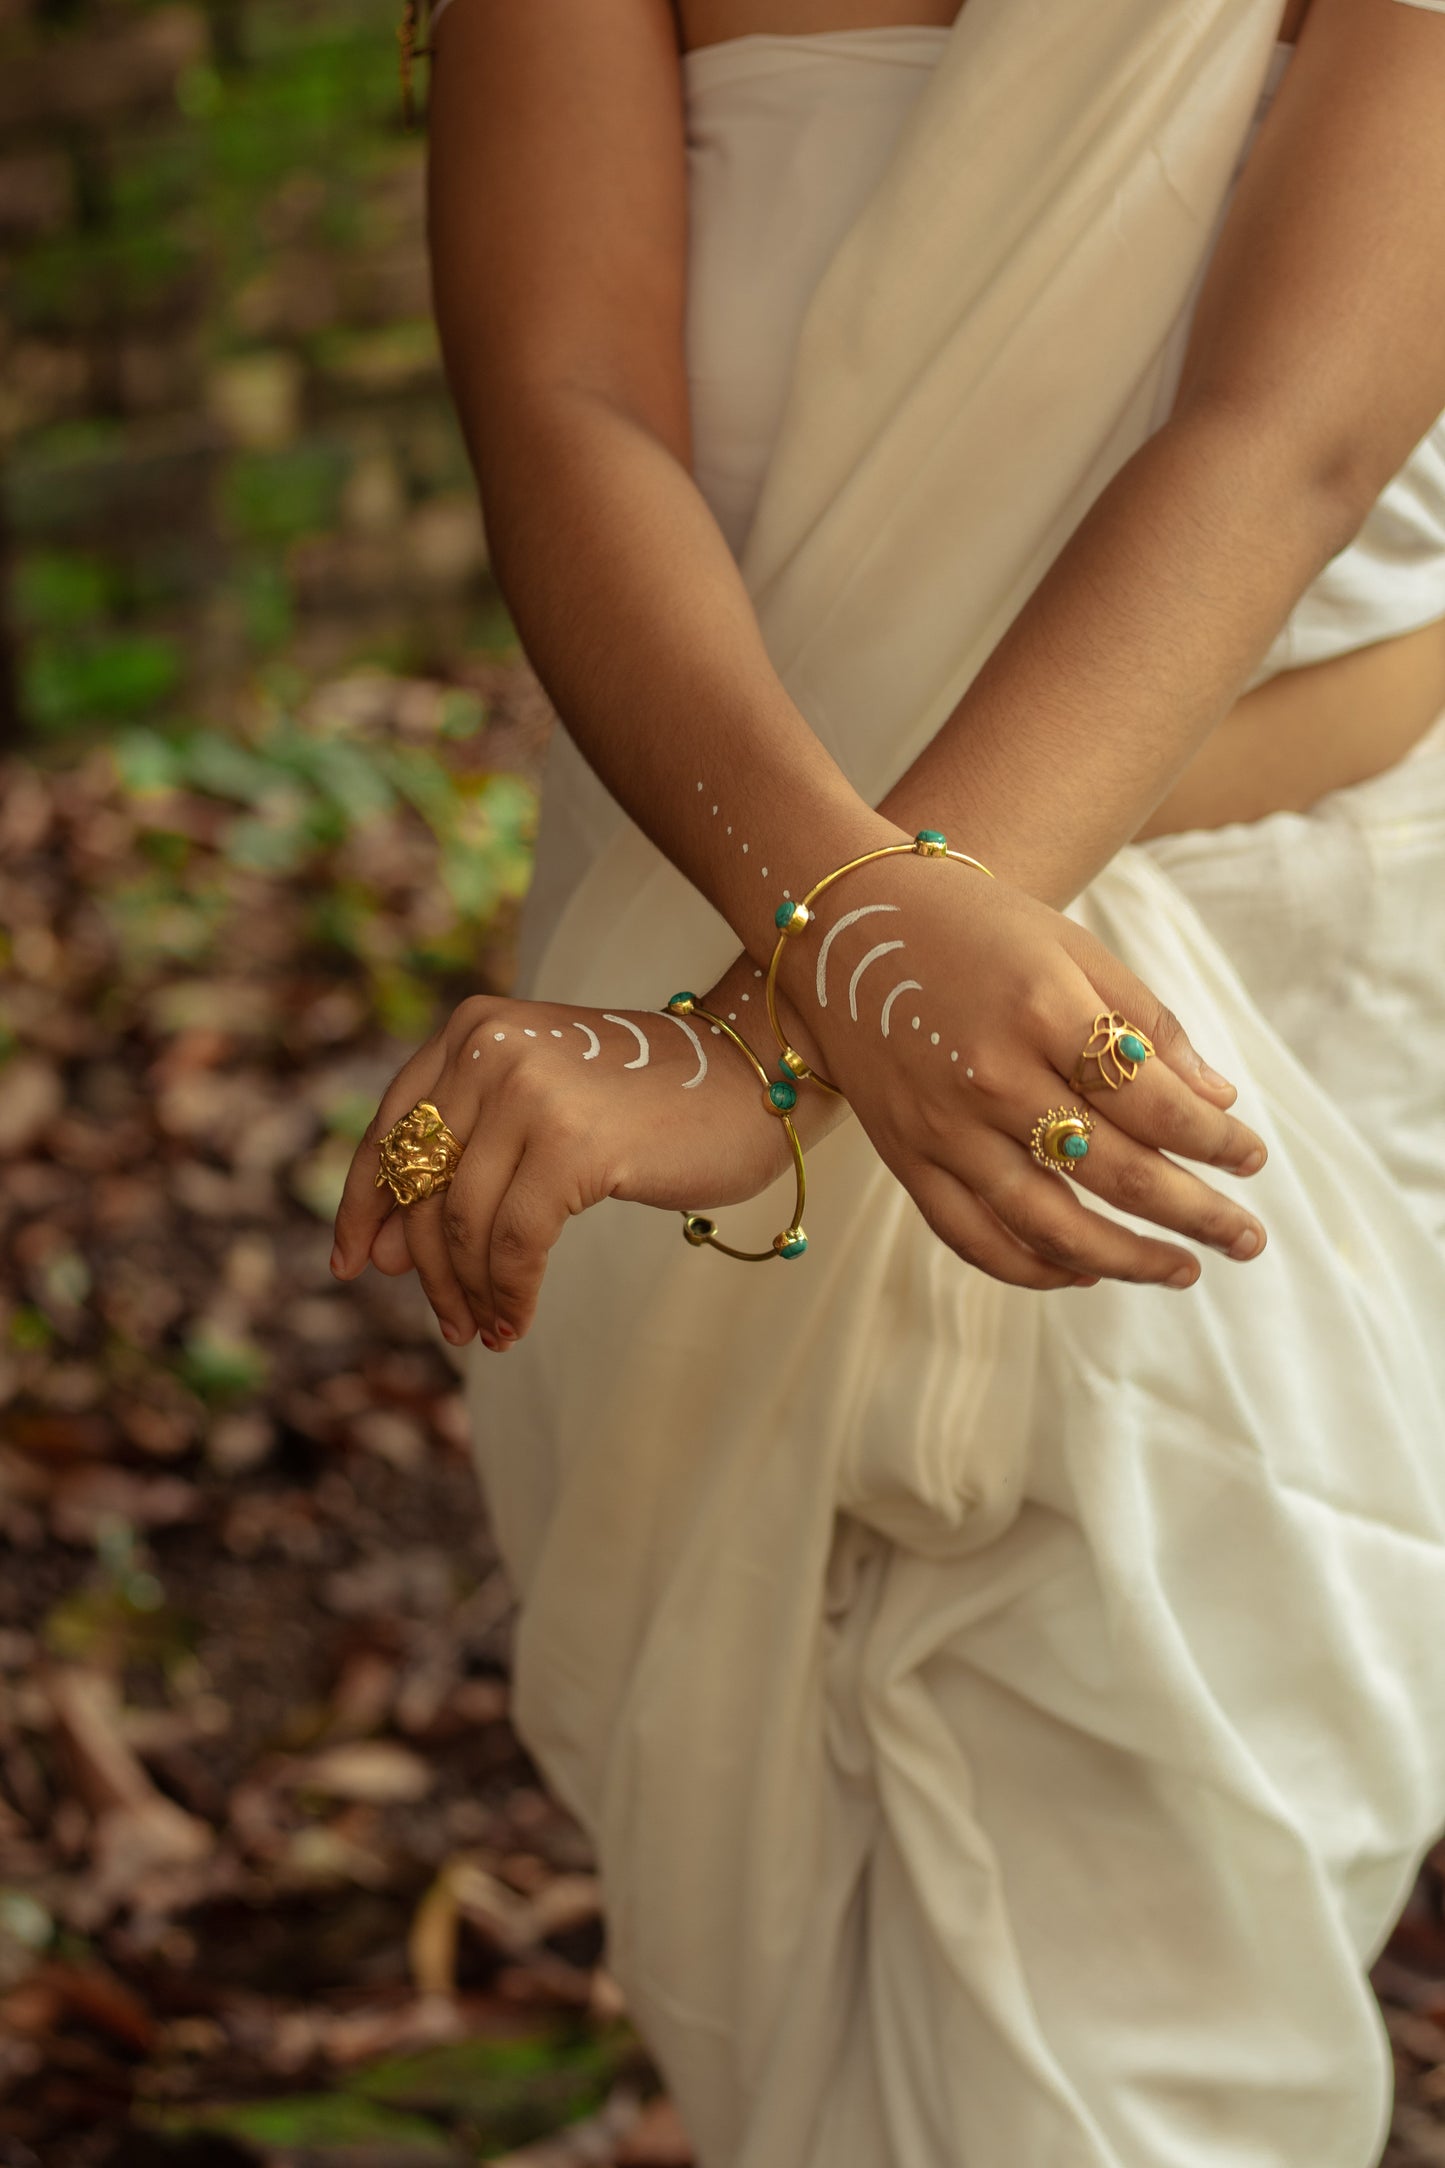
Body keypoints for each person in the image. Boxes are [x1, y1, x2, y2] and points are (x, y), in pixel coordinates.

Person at [333, 1, 1445, 2160]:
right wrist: (824, 930)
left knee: (1132, 2020)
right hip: (682, 897)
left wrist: (772, 1028)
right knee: (789, 1985)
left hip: (1262, 984)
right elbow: (564, 402)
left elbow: (1289, 437)